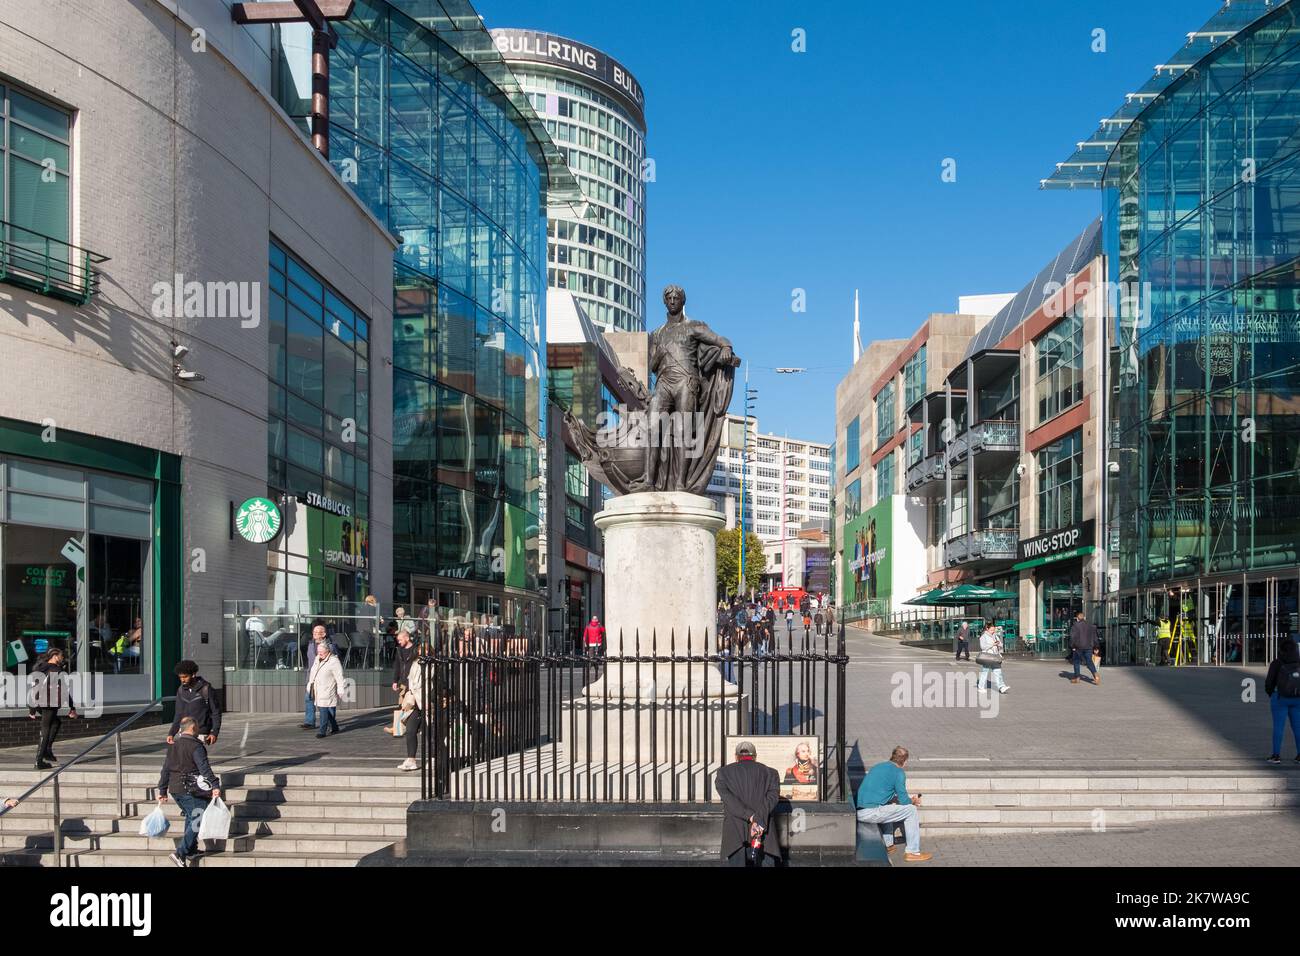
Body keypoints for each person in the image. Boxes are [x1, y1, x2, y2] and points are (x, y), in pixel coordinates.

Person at [157, 715, 221, 867]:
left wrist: (162, 789)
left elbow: (166, 769)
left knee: (191, 816)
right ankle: (180, 853)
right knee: (197, 820)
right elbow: (204, 768)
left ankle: (191, 850)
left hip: (175, 789)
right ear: (193, 728)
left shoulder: (173, 745)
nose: (198, 730)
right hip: (191, 790)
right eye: (197, 727)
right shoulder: (196, 746)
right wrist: (215, 785)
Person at [855, 746, 931, 861]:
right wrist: (913, 801)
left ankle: (889, 844)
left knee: (888, 807)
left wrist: (896, 799)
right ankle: (913, 852)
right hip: (871, 812)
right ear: (905, 761)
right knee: (911, 810)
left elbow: (883, 792)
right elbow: (905, 801)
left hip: (859, 810)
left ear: (892, 756)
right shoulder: (899, 773)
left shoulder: (877, 767)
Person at [714, 740, 780, 866]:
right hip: (763, 829)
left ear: (736, 756)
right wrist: (758, 820)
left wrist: (750, 816)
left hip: (736, 830)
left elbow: (729, 800)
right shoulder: (771, 772)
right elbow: (772, 797)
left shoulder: (723, 773)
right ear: (755, 756)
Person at [28, 648, 77, 770]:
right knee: (46, 729)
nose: (63, 658)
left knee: (56, 722)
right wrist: (72, 707)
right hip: (48, 703)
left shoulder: (40, 667)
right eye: (61, 656)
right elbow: (65, 691)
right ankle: (39, 761)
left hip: (40, 702)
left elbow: (35, 687)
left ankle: (47, 750)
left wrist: (33, 707)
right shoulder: (56, 670)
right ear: (55, 656)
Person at [167, 660, 221, 747]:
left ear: (193, 674)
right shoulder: (181, 690)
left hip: (201, 733)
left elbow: (216, 712)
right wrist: (172, 733)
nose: (182, 680)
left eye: (185, 677)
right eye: (180, 677)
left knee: (199, 758)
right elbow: (178, 714)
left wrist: (214, 732)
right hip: (184, 732)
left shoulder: (206, 689)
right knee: (186, 759)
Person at [1265, 638, 1300, 764]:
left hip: (1280, 698)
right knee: (1298, 728)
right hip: (1298, 699)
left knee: (1278, 727)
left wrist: (1271, 693)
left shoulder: (1277, 663)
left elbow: (1269, 682)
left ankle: (1276, 756)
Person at [301, 624, 338, 728]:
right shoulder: (310, 644)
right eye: (314, 632)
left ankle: (330, 723)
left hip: (326, 679)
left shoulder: (330, 646)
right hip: (312, 678)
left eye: (318, 633)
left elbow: (334, 663)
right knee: (309, 698)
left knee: (328, 702)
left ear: (324, 634)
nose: (315, 634)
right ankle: (309, 722)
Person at [307, 640, 345, 738]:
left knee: (323, 710)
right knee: (323, 709)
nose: (320, 654)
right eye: (318, 652)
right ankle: (335, 726)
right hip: (317, 688)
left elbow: (339, 677)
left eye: (322, 652)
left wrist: (341, 690)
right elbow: (312, 672)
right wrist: (309, 684)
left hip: (328, 689)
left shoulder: (334, 661)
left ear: (328, 651)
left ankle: (322, 731)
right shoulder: (317, 658)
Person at [977, 619, 1009, 695]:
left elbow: (1001, 644)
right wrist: (992, 645)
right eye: (991, 630)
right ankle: (981, 687)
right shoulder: (983, 637)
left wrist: (998, 644)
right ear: (987, 629)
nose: (993, 631)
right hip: (987, 657)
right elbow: (983, 647)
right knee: (985, 672)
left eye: (994, 630)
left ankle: (1001, 687)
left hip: (995, 656)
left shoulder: (995, 636)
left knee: (998, 672)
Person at [1069, 610, 1100, 686]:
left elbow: (1073, 637)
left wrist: (1072, 646)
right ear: (1084, 618)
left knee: (1076, 662)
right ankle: (1096, 676)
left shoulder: (1075, 626)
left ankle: (1077, 678)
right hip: (1089, 647)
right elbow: (1095, 637)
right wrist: (1096, 647)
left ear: (1077, 618)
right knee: (1089, 662)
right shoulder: (1091, 626)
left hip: (1078, 647)